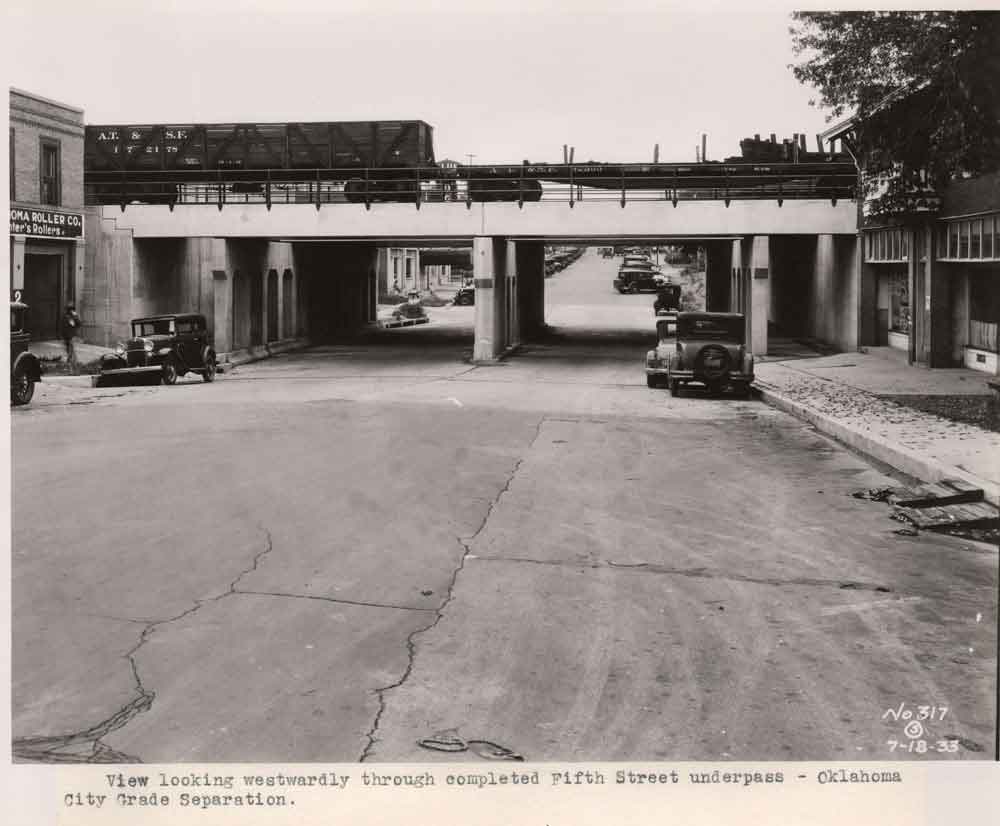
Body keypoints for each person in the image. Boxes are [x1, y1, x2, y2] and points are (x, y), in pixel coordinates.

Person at [60, 303, 82, 374]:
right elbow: (78, 324)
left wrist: (75, 316)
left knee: (71, 354)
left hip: (69, 338)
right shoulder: (68, 317)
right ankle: (73, 370)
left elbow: (78, 324)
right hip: (69, 338)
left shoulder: (70, 317)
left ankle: (72, 371)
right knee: (71, 354)